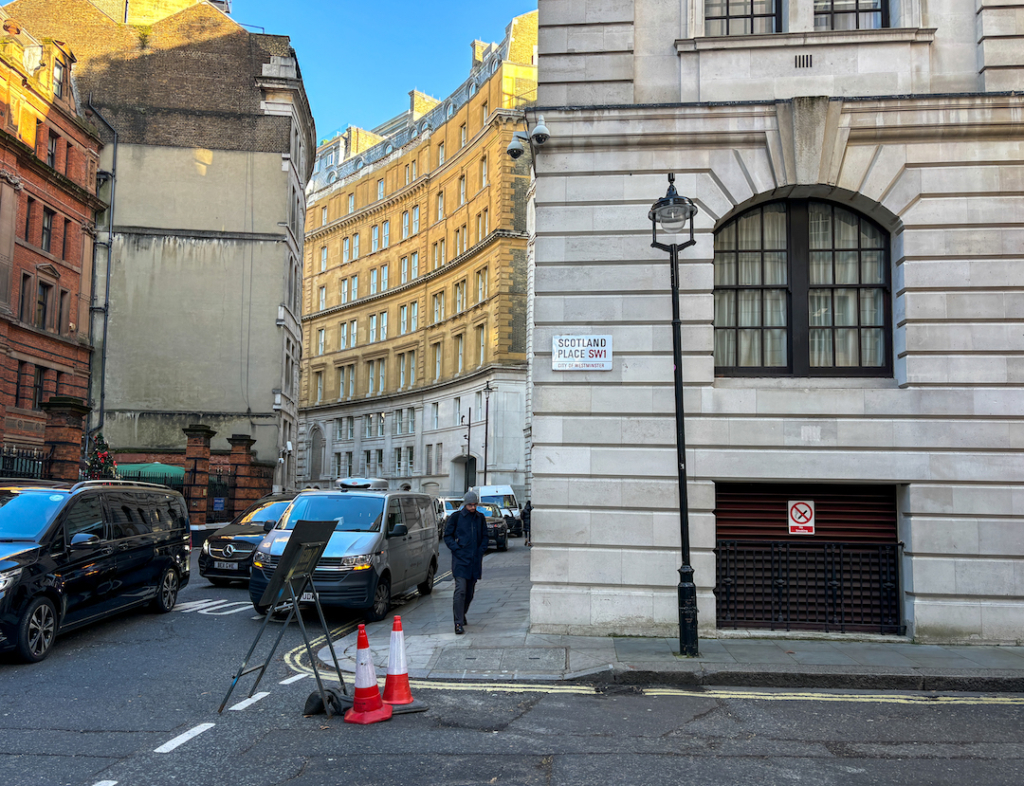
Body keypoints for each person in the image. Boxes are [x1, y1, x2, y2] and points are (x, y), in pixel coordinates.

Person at [443, 490, 488, 635]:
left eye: (475, 505)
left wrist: (481, 550)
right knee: (460, 590)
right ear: (465, 504)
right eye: (470, 505)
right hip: (460, 560)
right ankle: (458, 623)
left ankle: (462, 614)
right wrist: (456, 549)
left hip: (475, 561)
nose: (473, 507)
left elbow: (485, 537)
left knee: (469, 593)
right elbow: (447, 536)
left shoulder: (480, 518)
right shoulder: (456, 518)